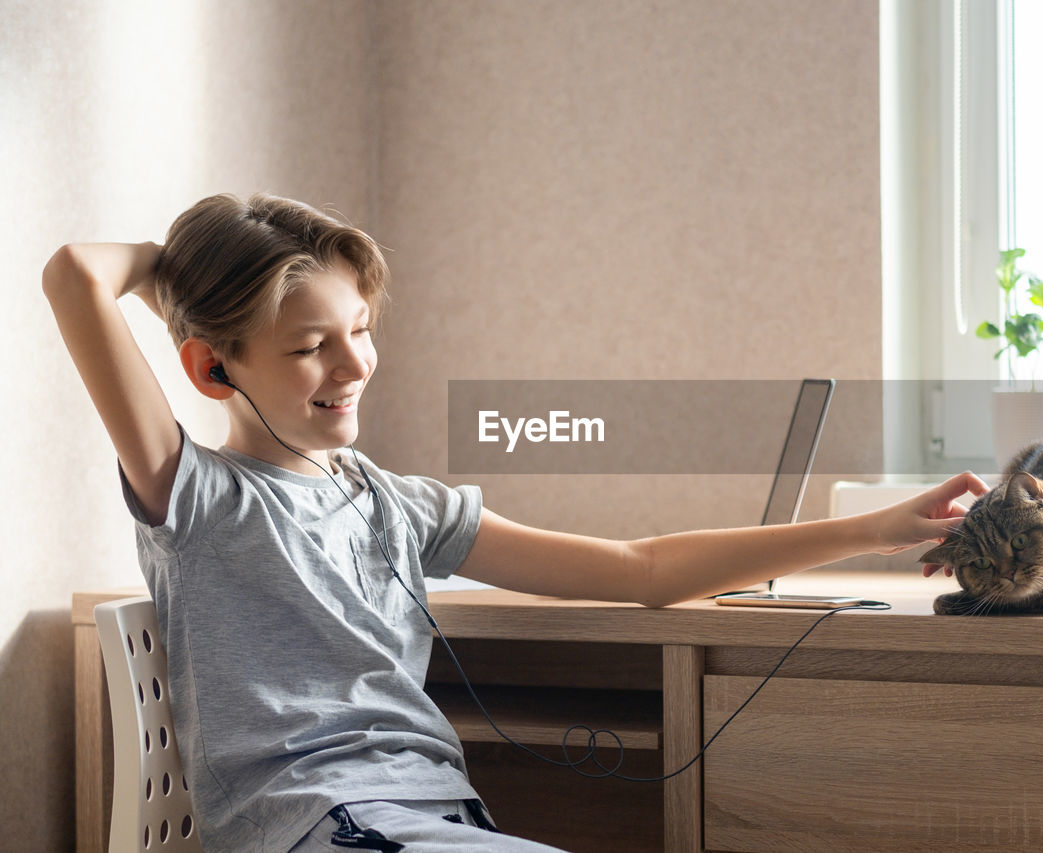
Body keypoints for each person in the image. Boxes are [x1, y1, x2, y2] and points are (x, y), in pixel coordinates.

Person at [44, 193, 987, 853]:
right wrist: (185, 269)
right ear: (213, 370)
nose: (355, 364)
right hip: (318, 822)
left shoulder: (393, 503)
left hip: (434, 818)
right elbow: (75, 275)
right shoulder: (201, 495)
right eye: (309, 346)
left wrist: (873, 531)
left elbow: (639, 566)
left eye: (361, 328)